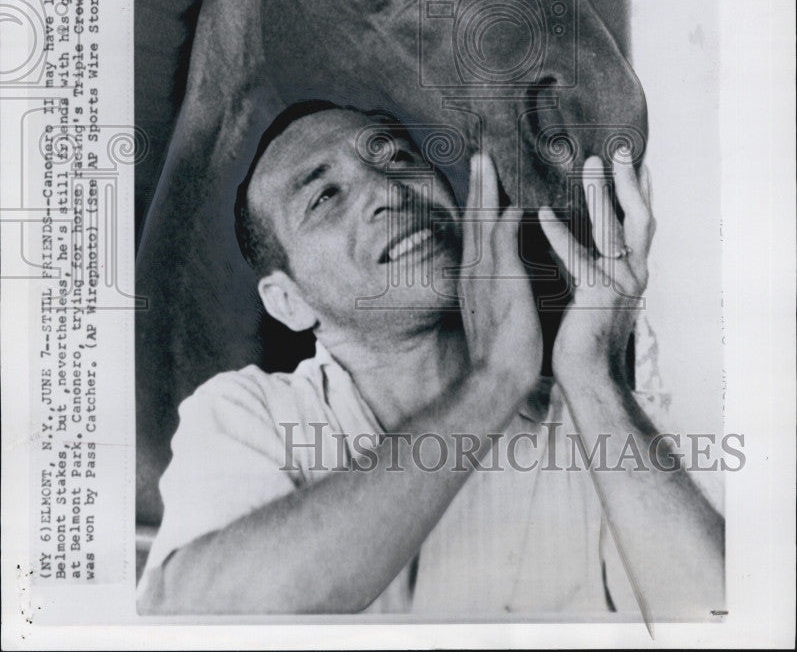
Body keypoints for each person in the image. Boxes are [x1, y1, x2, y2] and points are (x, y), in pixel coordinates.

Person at [137, 102, 724, 617]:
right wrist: (496, 379)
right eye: (324, 196)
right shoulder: (249, 411)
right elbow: (192, 613)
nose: (387, 191)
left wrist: (592, 370)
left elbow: (715, 615)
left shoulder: (591, 416)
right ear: (287, 301)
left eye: (395, 159)